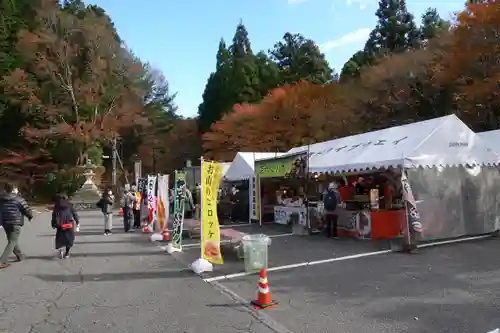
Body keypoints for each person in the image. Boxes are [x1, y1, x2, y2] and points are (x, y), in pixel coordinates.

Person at [0, 183, 33, 269]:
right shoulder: (19, 199)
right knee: (12, 241)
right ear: (14, 189)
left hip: (5, 222)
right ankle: (2, 261)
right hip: (15, 222)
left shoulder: (1, 199)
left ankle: (19, 255)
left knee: (12, 240)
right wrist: (30, 216)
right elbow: (26, 209)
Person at [51, 194, 79, 259]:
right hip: (69, 224)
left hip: (60, 225)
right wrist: (77, 222)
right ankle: (67, 253)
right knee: (69, 239)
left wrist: (53, 224)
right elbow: (74, 214)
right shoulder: (69, 205)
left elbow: (54, 215)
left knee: (59, 239)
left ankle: (60, 251)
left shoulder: (57, 205)